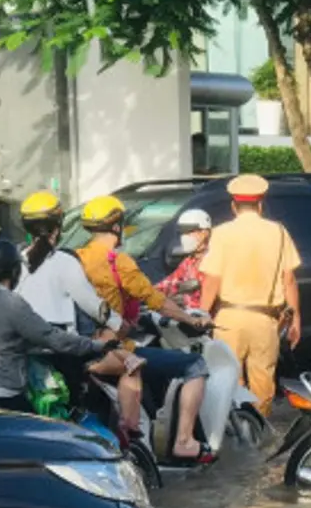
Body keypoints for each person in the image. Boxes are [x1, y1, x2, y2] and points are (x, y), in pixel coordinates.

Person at [76, 194, 217, 463]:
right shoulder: (118, 262)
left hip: (77, 346)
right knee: (195, 365)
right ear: (117, 227)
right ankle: (184, 442)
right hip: (109, 350)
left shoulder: (75, 259)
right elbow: (157, 301)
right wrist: (191, 320)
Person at [14, 190, 144, 419]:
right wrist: (117, 323)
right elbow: (92, 304)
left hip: (21, 347)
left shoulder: (16, 261)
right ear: (58, 225)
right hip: (62, 348)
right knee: (130, 366)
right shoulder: (64, 261)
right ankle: (127, 434)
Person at [0, 240, 106, 412]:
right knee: (47, 419)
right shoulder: (11, 303)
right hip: (1, 389)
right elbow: (51, 337)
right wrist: (96, 346)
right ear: (15, 271)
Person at [198, 174, 302, 406]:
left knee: (227, 379)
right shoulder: (278, 232)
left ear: (234, 206)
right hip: (265, 321)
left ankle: (233, 427)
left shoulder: (222, 233)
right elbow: (290, 280)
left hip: (228, 318)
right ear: (261, 204)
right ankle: (258, 430)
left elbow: (212, 280)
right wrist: (296, 319)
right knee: (263, 382)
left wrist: (200, 315)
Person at [156, 209, 213, 306]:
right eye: (182, 233)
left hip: (207, 317)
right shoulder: (188, 261)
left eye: (189, 232)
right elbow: (167, 284)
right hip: (186, 316)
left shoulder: (213, 260)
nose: (184, 237)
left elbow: (211, 292)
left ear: (204, 233)